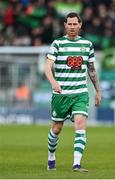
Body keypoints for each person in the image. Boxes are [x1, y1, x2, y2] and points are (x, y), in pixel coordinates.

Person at [44, 12, 101, 172]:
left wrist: (98, 91)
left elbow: (91, 70)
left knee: (80, 124)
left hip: (80, 93)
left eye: (75, 24)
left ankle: (76, 164)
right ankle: (51, 155)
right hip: (61, 95)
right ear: (65, 25)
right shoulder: (57, 44)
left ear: (80, 25)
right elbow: (47, 66)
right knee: (56, 129)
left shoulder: (87, 45)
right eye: (69, 24)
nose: (72, 27)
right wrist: (54, 82)